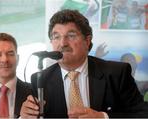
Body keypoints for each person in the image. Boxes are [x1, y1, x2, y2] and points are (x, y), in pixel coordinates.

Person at [20, 9, 148, 118]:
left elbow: (142, 114)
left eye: (70, 35)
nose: (63, 43)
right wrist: (25, 116)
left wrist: (103, 117)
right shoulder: (40, 79)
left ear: (87, 41)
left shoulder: (117, 73)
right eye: (56, 36)